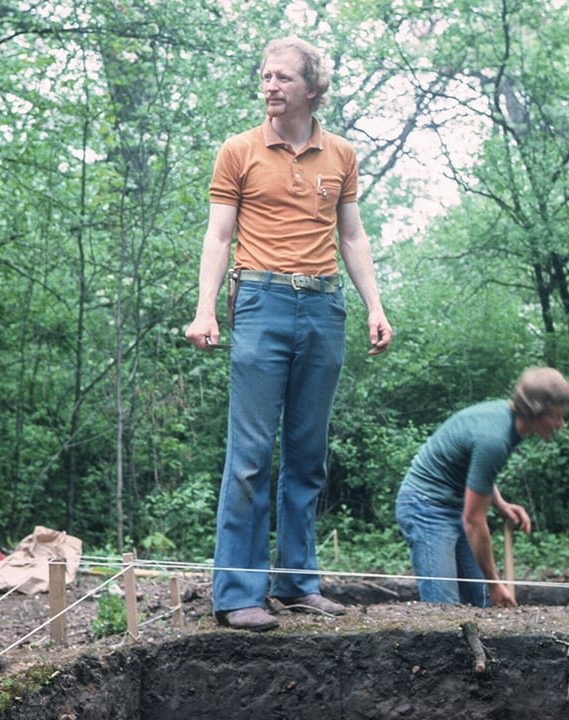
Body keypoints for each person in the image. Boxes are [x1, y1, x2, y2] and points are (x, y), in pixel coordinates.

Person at [185, 37, 392, 631]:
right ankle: (236, 595)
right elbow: (217, 238)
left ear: (311, 88)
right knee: (250, 457)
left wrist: (375, 305)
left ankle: (299, 582)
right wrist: (206, 309)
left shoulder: (342, 154)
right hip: (260, 302)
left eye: (282, 77)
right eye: (265, 76)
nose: (270, 85)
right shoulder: (239, 150)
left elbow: (352, 237)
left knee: (307, 454)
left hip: (325, 307)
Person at [395, 367, 569, 608]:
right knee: (443, 610)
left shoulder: (509, 424)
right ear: (535, 411)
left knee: (481, 602)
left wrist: (500, 505)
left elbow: (479, 475)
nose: (561, 424)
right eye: (556, 416)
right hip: (425, 507)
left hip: (454, 503)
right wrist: (495, 583)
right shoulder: (495, 438)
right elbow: (473, 521)